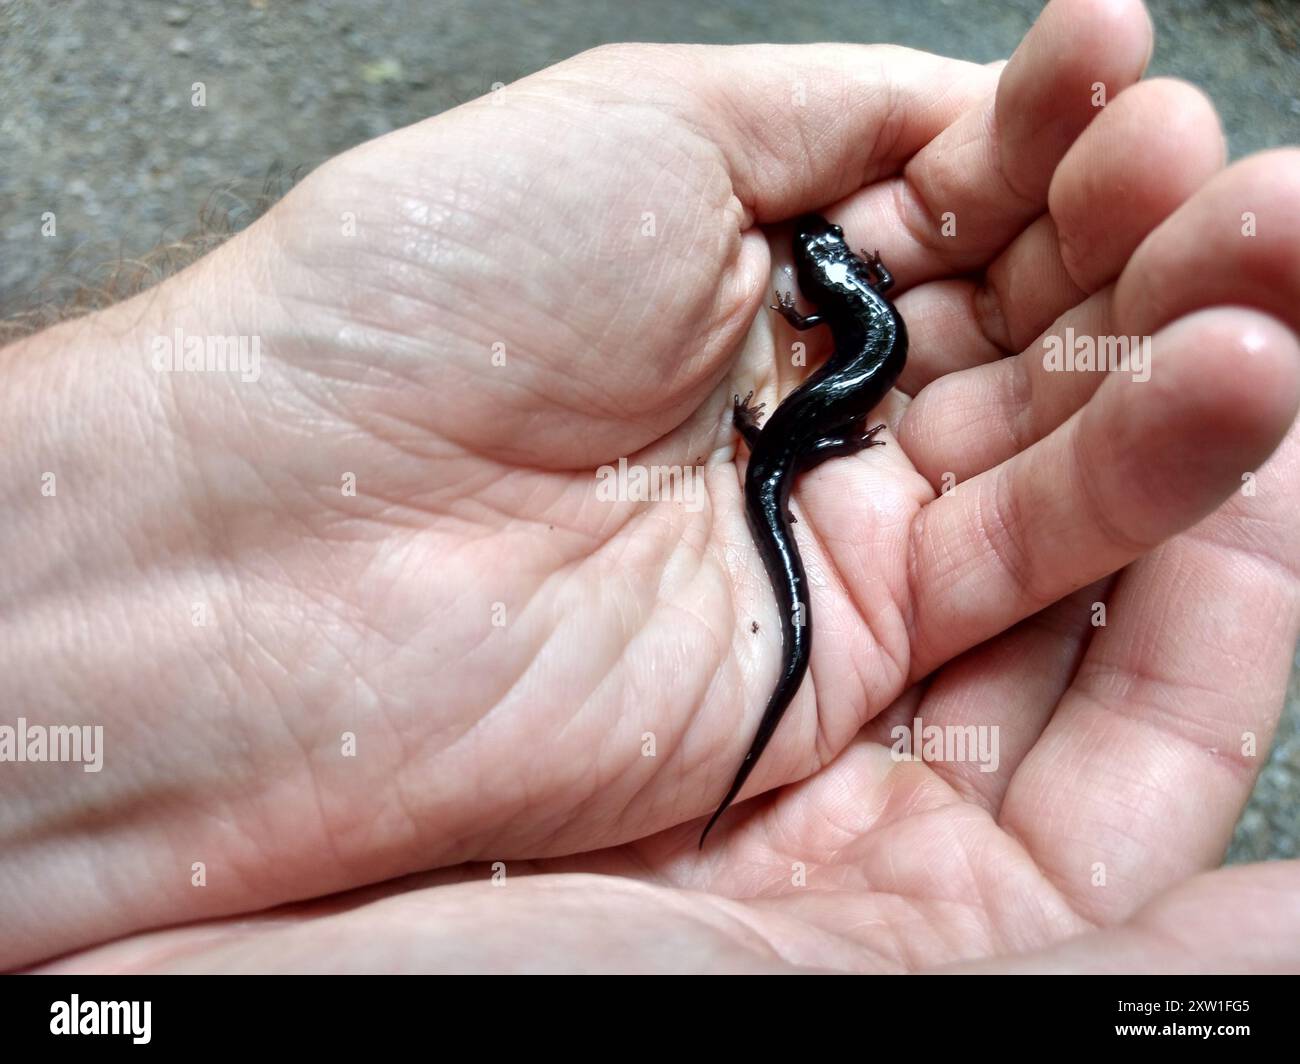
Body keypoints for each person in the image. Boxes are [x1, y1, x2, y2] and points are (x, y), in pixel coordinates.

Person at [5, 0, 1298, 972]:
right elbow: (845, 324)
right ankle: (798, 468)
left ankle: (794, 465)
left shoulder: (823, 306)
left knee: (795, 476)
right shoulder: (856, 306)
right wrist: (809, 415)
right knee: (796, 479)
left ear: (827, 281)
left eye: (820, 259)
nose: (815, 260)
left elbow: (821, 323)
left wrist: (795, 422)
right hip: (810, 430)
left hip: (803, 434)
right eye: (823, 260)